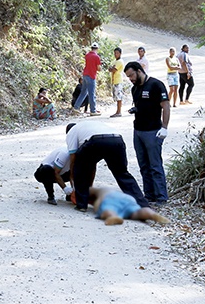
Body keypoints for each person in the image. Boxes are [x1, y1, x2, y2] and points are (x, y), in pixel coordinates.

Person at [66, 121, 149, 212]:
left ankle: (81, 204)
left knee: (80, 169)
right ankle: (142, 205)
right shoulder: (88, 126)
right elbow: (91, 164)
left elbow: (73, 156)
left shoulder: (71, 132)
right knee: (122, 174)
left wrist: (73, 174)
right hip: (117, 140)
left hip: (95, 141)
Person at [124, 61, 171, 206]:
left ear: (139, 71)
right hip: (138, 130)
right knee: (143, 164)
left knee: (155, 164)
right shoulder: (135, 89)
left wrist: (164, 127)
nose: (130, 79)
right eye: (128, 77)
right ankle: (149, 195)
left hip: (153, 131)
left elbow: (165, 106)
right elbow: (141, 106)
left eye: (131, 75)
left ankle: (161, 196)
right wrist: (135, 110)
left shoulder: (156, 85)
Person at [89, 187, 170, 225]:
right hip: (128, 200)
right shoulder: (110, 190)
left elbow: (88, 190)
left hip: (110, 200)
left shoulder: (100, 191)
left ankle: (112, 216)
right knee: (137, 212)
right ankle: (151, 214)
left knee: (108, 210)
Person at [72, 42, 102, 116]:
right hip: (91, 76)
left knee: (83, 92)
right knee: (91, 93)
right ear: (97, 49)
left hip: (85, 75)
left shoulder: (87, 55)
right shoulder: (97, 57)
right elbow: (98, 68)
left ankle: (76, 107)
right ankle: (93, 110)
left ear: (91, 48)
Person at [108, 47, 131, 118]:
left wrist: (111, 69)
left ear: (120, 53)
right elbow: (110, 68)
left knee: (119, 96)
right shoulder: (115, 61)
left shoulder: (120, 61)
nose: (115, 54)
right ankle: (118, 111)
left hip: (118, 80)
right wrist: (111, 69)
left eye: (117, 53)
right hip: (114, 80)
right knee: (116, 96)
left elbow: (113, 69)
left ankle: (119, 111)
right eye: (115, 53)